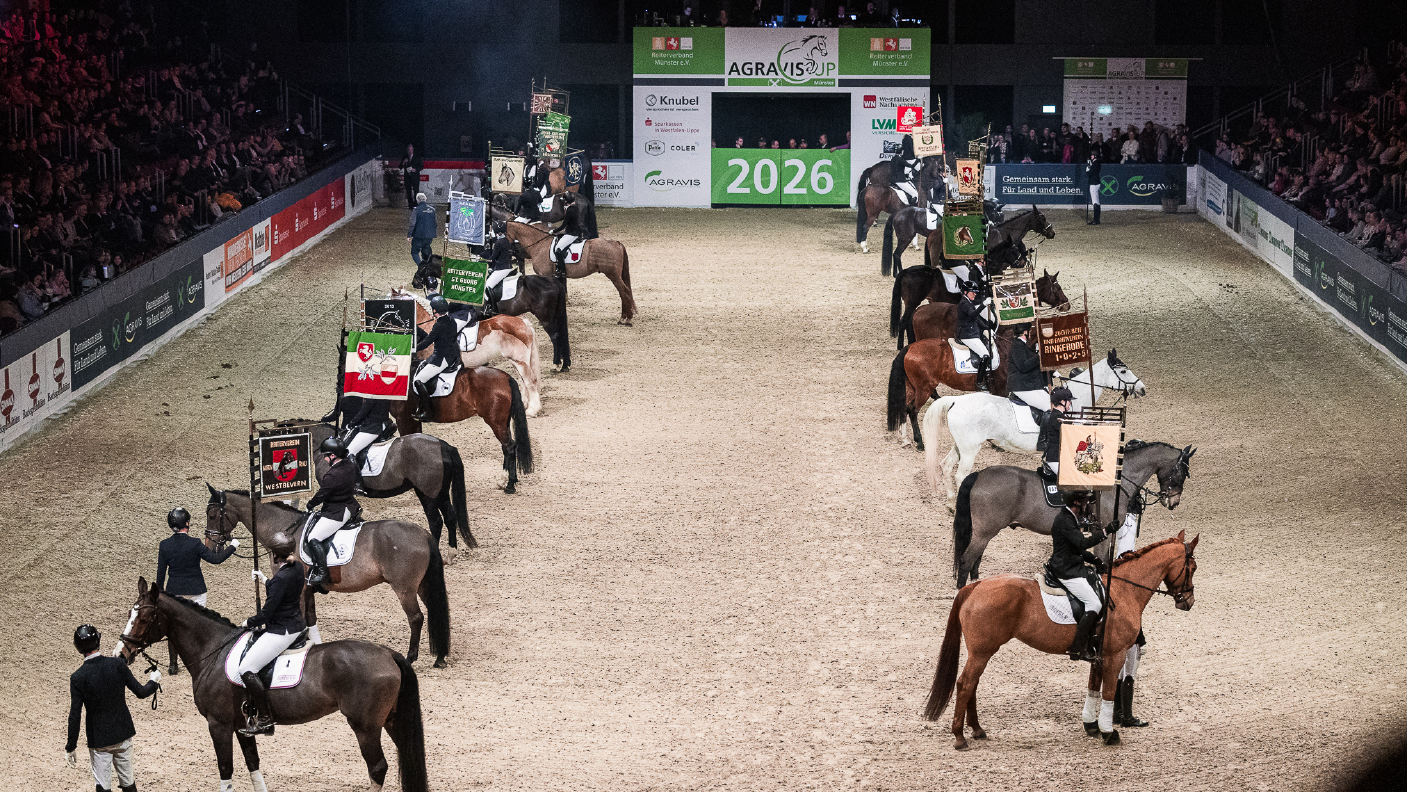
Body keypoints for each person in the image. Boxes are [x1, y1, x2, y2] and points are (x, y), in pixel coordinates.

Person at [65, 624, 161, 792]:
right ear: (98, 642)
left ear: (78, 648)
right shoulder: (117, 665)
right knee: (129, 785)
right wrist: (154, 681)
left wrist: (71, 746)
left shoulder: (77, 677)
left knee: (103, 788)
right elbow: (141, 692)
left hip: (99, 741)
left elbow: (75, 715)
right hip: (123, 734)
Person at [155, 507, 238, 675]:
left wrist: (159, 595)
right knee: (198, 625)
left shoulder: (164, 545)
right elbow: (216, 560)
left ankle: (173, 664)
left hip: (174, 592)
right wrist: (233, 546)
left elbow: (160, 574)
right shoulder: (194, 543)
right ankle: (197, 658)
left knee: (173, 628)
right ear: (187, 523)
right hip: (196, 590)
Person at [234, 550, 306, 736]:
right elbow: (284, 591)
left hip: (283, 630)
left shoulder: (281, 579)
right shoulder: (297, 566)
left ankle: (265, 720)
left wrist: (248, 622)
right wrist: (266, 580)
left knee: (246, 669)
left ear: (274, 556)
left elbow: (267, 614)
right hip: (296, 622)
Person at [1047, 489, 1108, 662]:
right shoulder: (1065, 520)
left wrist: (1095, 559)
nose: (1087, 505)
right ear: (1076, 504)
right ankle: (1078, 649)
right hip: (1066, 570)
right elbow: (1082, 543)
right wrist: (1105, 532)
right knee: (1094, 603)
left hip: (1070, 563)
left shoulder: (1069, 518)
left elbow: (1076, 548)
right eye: (1085, 502)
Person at [302, 436, 360, 591]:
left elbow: (322, 495)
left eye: (326, 456)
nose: (325, 459)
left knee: (313, 537)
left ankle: (322, 573)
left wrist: (309, 505)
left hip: (337, 511)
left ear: (333, 456)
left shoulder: (332, 475)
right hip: (350, 504)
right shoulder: (350, 464)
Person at [411, 295, 462, 419]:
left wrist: (412, 348)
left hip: (442, 358)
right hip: (453, 354)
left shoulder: (438, 326)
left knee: (418, 380)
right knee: (423, 365)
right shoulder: (452, 320)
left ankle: (428, 412)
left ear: (434, 311)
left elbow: (427, 342)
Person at [955, 281, 994, 392]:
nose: (975, 294)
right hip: (967, 335)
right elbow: (973, 315)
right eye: (973, 292)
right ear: (966, 292)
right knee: (985, 355)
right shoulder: (964, 303)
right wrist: (983, 305)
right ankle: (979, 383)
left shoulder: (968, 301)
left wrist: (987, 328)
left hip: (973, 333)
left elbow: (975, 319)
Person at [1006, 323, 1050, 410]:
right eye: (1030, 331)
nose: (1030, 333)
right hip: (1022, 387)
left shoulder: (1023, 345)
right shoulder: (1017, 345)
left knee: (1051, 403)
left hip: (1030, 385)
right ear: (1025, 332)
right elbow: (1023, 366)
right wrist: (1039, 356)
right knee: (1048, 407)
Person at [342, 396, 393, 461]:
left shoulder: (372, 396)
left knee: (349, 452)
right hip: (384, 424)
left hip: (373, 428)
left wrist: (350, 424)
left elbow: (362, 414)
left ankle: (353, 471)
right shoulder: (384, 392)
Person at [1038, 386, 1075, 475]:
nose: (1070, 403)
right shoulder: (1057, 418)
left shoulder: (1060, 416)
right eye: (1069, 401)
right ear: (1062, 402)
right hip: (1055, 459)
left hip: (1060, 457)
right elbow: (1070, 434)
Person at [482, 222, 517, 314]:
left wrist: (481, 260)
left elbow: (493, 258)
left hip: (502, 268)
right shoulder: (506, 240)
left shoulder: (499, 243)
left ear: (498, 232)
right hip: (507, 266)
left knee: (487, 286)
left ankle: (492, 308)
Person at [407, 192, 437, 281]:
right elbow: (435, 223)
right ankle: (428, 270)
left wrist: (409, 235)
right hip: (429, 236)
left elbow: (412, 223)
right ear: (426, 199)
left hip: (419, 235)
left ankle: (421, 267)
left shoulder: (416, 210)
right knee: (426, 251)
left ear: (417, 200)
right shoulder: (432, 210)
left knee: (414, 252)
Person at [888, 134, 920, 205]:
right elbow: (910, 165)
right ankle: (911, 208)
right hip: (901, 180)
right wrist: (918, 160)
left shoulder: (893, 159)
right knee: (915, 194)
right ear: (901, 151)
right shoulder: (900, 160)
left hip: (893, 180)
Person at [399, 144, 423, 209]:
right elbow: (400, 167)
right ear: (407, 150)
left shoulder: (417, 157)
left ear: (413, 150)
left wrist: (415, 169)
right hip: (407, 177)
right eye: (409, 150)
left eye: (411, 150)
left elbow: (421, 166)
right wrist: (403, 162)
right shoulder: (405, 157)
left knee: (416, 191)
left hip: (415, 176)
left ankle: (416, 204)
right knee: (408, 191)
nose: (410, 151)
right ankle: (410, 204)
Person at [1086, 148, 1103, 225]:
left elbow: (1089, 173)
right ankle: (1096, 219)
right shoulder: (1096, 163)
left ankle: (1096, 220)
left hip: (1094, 183)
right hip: (1095, 183)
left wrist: (1088, 168)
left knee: (1095, 201)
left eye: (1092, 155)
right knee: (1096, 201)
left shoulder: (1095, 163)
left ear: (1095, 156)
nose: (1091, 156)